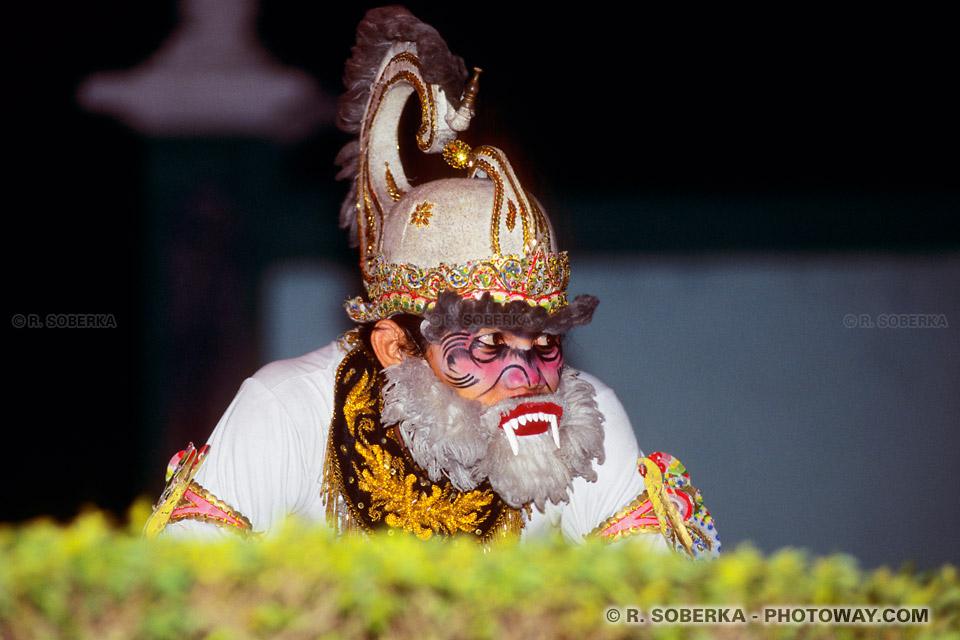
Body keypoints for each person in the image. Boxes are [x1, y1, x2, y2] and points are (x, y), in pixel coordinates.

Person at [145, 6, 720, 557]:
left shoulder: (585, 421)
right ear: (397, 347)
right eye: (489, 346)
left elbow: (657, 602)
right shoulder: (287, 411)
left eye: (545, 345)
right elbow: (188, 595)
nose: (528, 381)